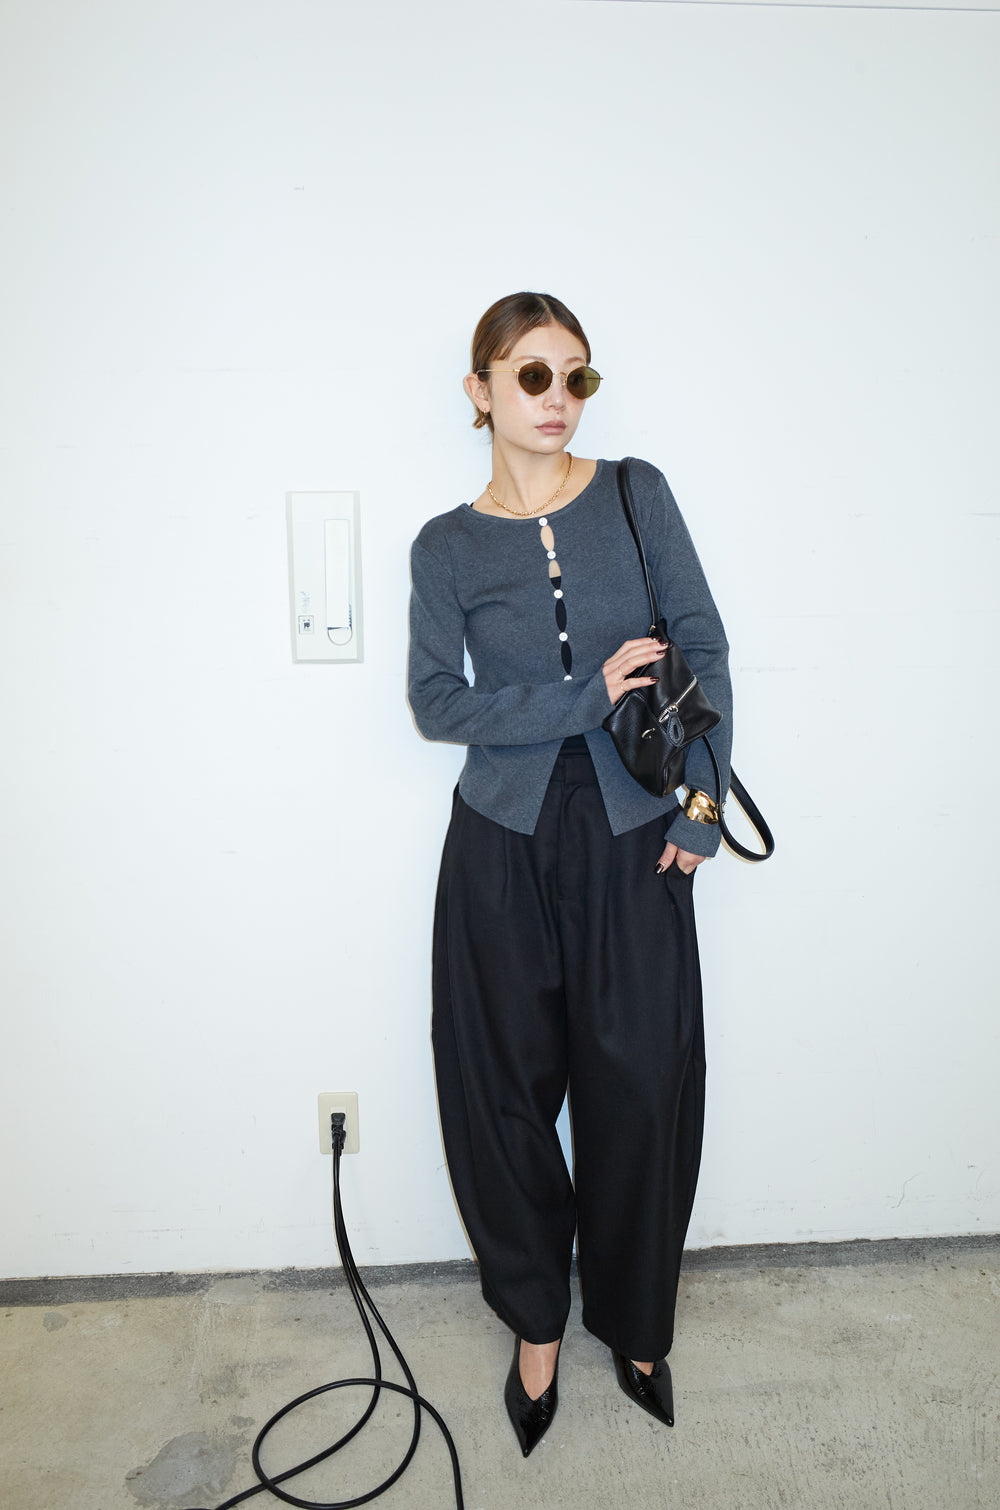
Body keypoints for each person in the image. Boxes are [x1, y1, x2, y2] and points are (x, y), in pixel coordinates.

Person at [407, 292, 732, 1457]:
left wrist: (700, 806)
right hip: (499, 836)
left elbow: (702, 646)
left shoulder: (636, 494)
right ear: (480, 389)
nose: (557, 398)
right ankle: (535, 1320)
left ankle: (636, 1324)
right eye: (532, 374)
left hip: (636, 829)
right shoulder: (446, 545)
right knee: (499, 1090)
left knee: (641, 1083)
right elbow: (435, 702)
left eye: (575, 376)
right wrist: (579, 697)